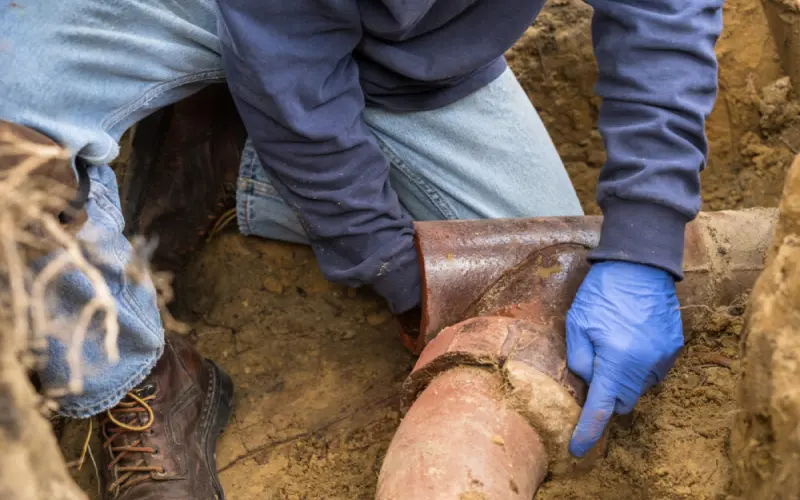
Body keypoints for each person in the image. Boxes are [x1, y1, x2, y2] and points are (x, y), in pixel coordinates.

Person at [0, 0, 720, 497]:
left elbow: (665, 13)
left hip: (406, 55)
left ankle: (228, 157)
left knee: (542, 294)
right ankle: (133, 379)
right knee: (10, 136)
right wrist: (401, 275)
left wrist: (645, 242)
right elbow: (293, 79)